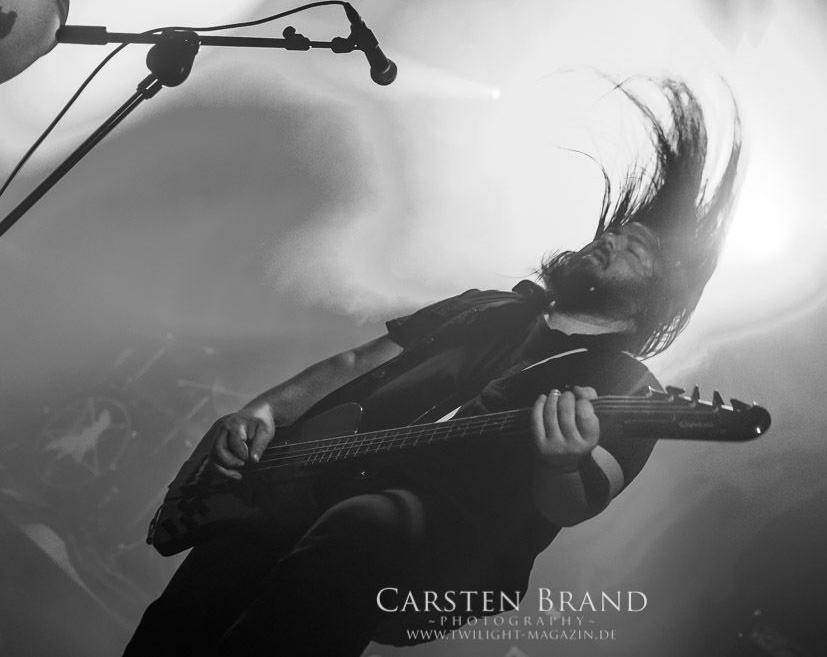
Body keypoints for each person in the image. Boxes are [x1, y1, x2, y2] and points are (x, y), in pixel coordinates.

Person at [124, 77, 742, 656]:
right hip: (302, 482)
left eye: (636, 248)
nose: (611, 239)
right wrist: (263, 410)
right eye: (615, 232)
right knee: (189, 612)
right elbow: (355, 363)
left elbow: (572, 506)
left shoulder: (629, 389)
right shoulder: (488, 308)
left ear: (652, 301)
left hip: (433, 548)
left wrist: (563, 462)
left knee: (367, 526)